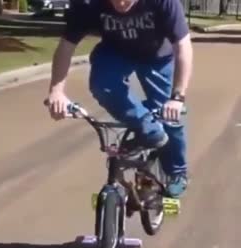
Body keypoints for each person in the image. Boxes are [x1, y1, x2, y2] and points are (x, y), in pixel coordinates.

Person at [44, 0, 193, 198]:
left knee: (170, 115)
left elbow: (183, 46)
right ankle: (148, 129)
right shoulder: (89, 3)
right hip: (115, 52)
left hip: (157, 56)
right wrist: (56, 91)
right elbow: (66, 46)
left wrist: (177, 97)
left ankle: (177, 173)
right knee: (103, 85)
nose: (121, 4)